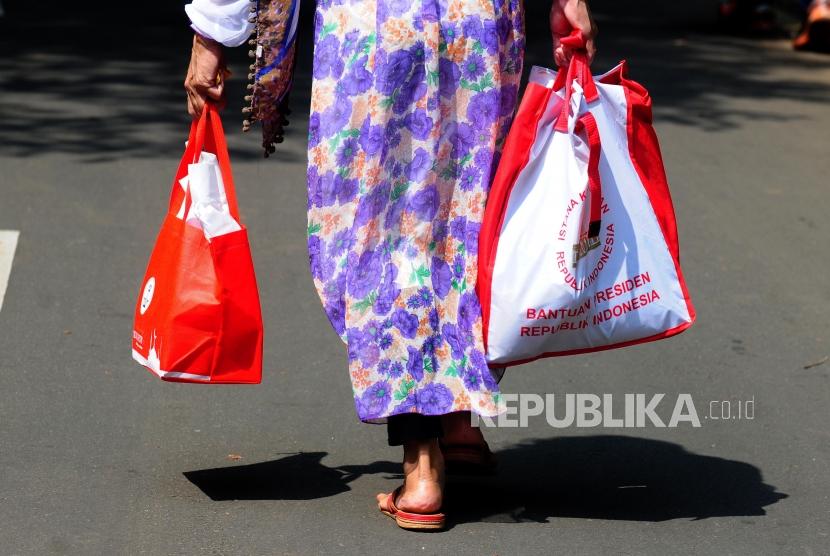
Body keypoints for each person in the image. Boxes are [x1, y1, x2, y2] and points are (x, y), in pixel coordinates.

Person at [184, 0, 596, 531]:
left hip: (377, 25)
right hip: (479, 22)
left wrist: (212, 35)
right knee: (467, 208)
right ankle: (456, 416)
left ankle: (423, 465)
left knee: (382, 232)